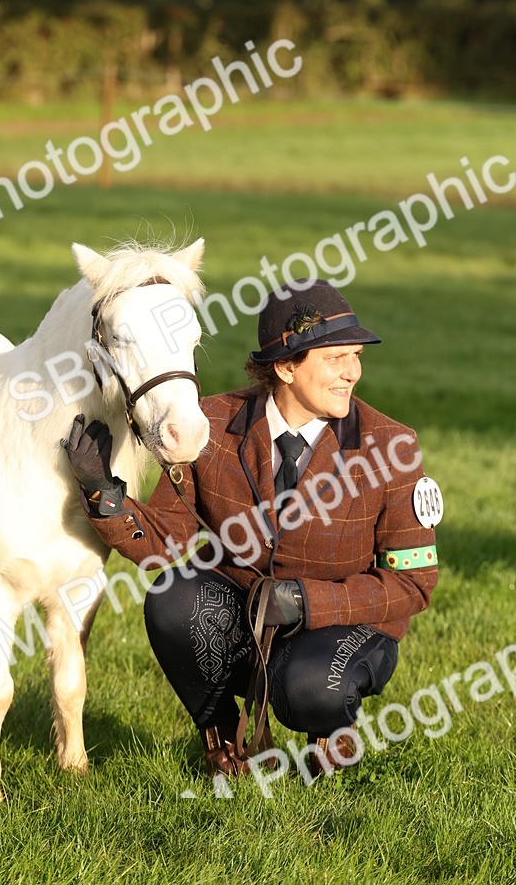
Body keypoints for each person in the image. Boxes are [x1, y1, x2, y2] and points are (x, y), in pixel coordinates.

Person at [63, 278, 439, 781]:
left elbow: (414, 584)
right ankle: (221, 739)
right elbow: (165, 543)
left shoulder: (394, 446)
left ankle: (329, 729)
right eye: (336, 358)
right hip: (243, 616)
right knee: (171, 598)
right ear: (285, 367)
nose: (353, 372)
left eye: (355, 356)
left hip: (341, 625)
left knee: (307, 688)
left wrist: (306, 602)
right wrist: (103, 493)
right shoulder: (210, 425)